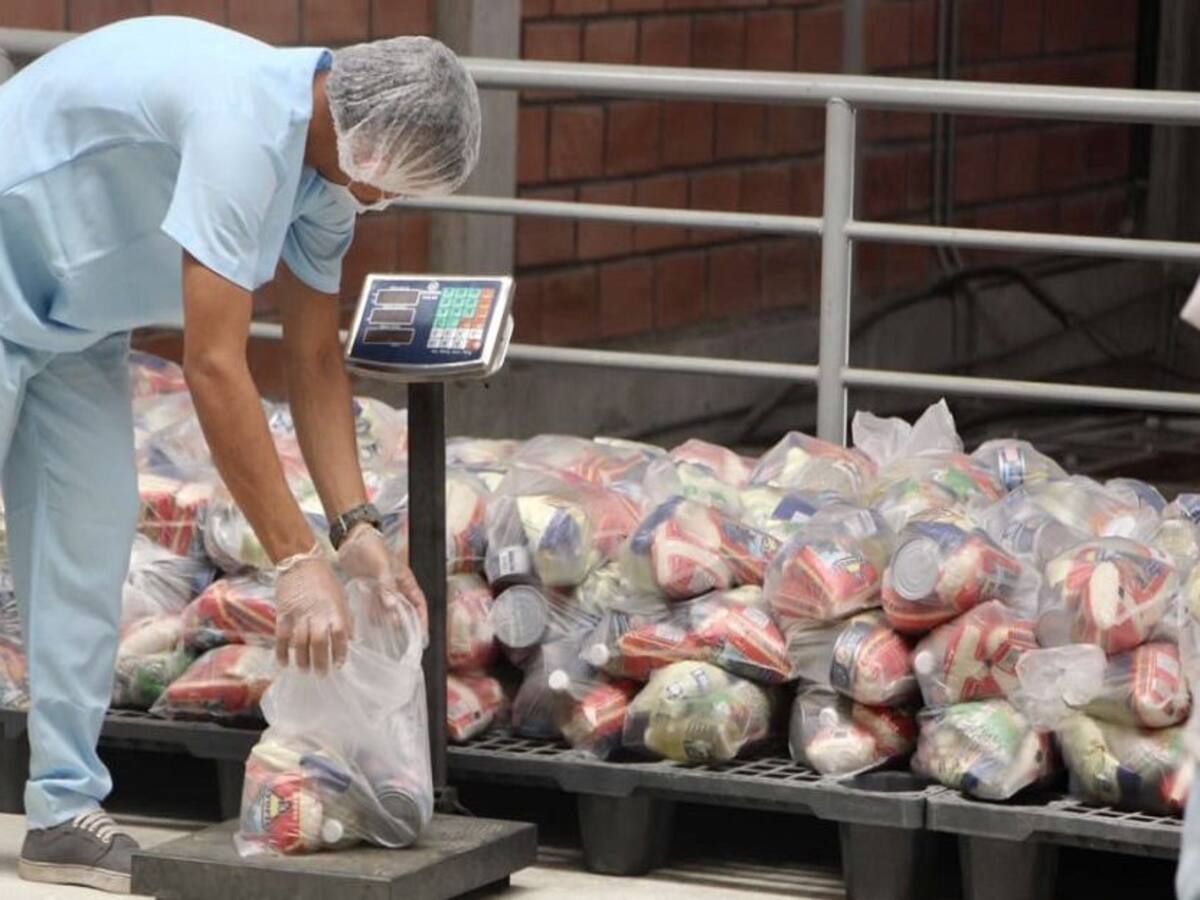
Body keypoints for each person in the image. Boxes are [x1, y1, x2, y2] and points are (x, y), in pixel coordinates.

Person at [0, 15, 481, 894]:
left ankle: (62, 807)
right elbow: (215, 363)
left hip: (73, 323)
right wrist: (295, 559)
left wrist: (356, 528)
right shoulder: (245, 127)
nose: (389, 204)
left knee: (87, 542)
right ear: (373, 146)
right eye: (399, 187)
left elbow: (310, 355)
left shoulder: (328, 173)